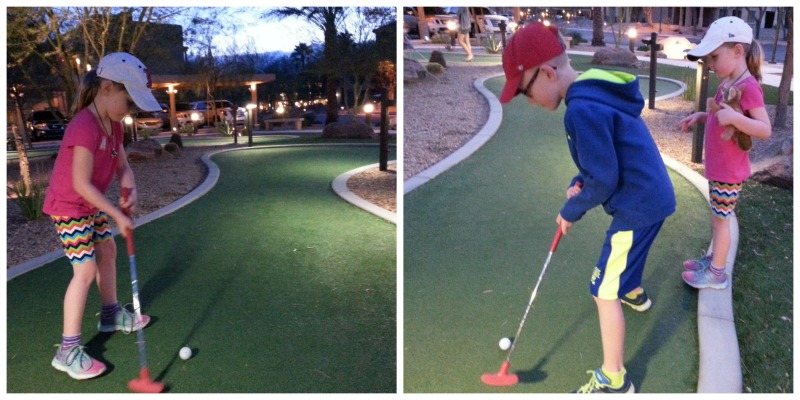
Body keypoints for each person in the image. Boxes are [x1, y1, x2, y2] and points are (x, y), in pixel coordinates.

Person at [499, 23, 676, 393]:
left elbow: (606, 179)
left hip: (637, 205)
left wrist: (572, 210)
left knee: (601, 290)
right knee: (627, 256)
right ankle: (634, 291)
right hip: (653, 196)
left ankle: (614, 378)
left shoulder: (579, 110)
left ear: (547, 73)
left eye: (525, 91)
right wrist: (582, 179)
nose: (528, 101)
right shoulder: (595, 92)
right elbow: (604, 158)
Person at [43, 52, 163, 380]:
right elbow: (81, 184)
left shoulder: (113, 124)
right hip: (69, 207)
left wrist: (129, 185)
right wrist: (117, 214)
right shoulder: (84, 126)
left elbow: (122, 164)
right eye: (129, 102)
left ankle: (110, 314)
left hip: (90, 206)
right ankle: (66, 351)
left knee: (107, 251)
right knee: (85, 270)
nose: (131, 111)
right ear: (107, 88)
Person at [679, 16, 771, 290]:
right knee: (718, 218)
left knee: (722, 222)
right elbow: (722, 115)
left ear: (738, 51)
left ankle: (717, 273)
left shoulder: (748, 87)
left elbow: (764, 129)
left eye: (714, 57)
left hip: (730, 172)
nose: (710, 64)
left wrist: (734, 118)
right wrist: (702, 115)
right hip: (720, 169)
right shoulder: (728, 82)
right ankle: (713, 260)